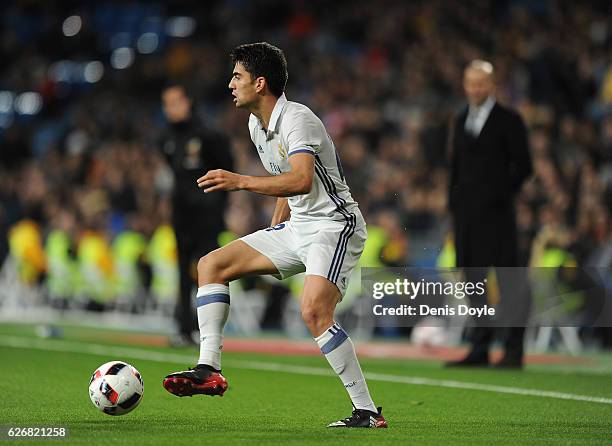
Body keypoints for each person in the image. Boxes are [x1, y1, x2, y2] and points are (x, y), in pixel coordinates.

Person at [162, 42, 387, 429]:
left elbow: (300, 179)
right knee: (211, 265)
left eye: (237, 76)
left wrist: (241, 182)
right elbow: (288, 188)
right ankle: (208, 368)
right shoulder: (256, 124)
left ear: (260, 83)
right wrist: (271, 234)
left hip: (335, 225)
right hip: (297, 227)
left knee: (314, 312)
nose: (230, 84)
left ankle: (366, 411)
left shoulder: (298, 119)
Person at [446, 60, 532, 369]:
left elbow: (524, 167)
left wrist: (498, 194)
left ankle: (513, 351)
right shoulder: (460, 119)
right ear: (465, 84)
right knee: (474, 283)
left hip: (498, 218)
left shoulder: (509, 120)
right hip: (467, 218)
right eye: (470, 83)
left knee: (510, 283)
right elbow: (455, 168)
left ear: (492, 84)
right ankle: (480, 348)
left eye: (481, 83)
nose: (475, 89)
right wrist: (453, 206)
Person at [159, 83, 234, 346]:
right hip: (182, 215)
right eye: (167, 103)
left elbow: (228, 169)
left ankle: (210, 332)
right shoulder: (166, 138)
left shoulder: (210, 135)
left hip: (207, 214)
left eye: (176, 101)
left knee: (208, 272)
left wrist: (217, 206)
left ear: (188, 101)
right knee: (182, 271)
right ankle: (183, 328)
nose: (171, 108)